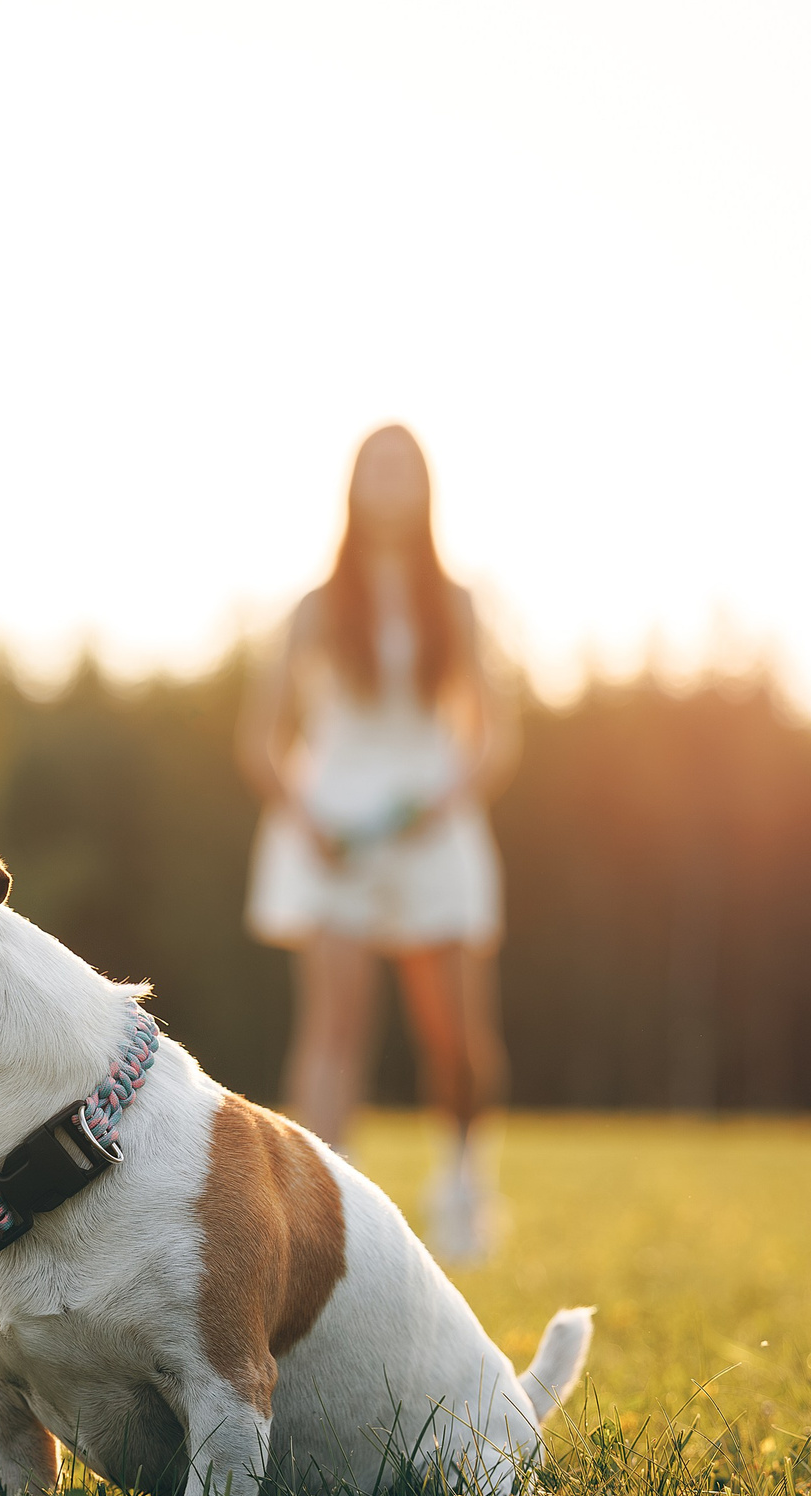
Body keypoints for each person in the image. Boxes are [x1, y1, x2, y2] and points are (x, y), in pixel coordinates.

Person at [237, 424, 519, 1263]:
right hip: (334, 829)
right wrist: (307, 817)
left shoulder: (457, 603)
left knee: (457, 1036)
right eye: (376, 467)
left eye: (405, 467)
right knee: (334, 1029)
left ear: (426, 486)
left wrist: (443, 803)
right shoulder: (317, 606)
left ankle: (463, 1186)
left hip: (433, 822)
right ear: (353, 485)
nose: (390, 480)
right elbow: (260, 740)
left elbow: (496, 738)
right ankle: (323, 1215)